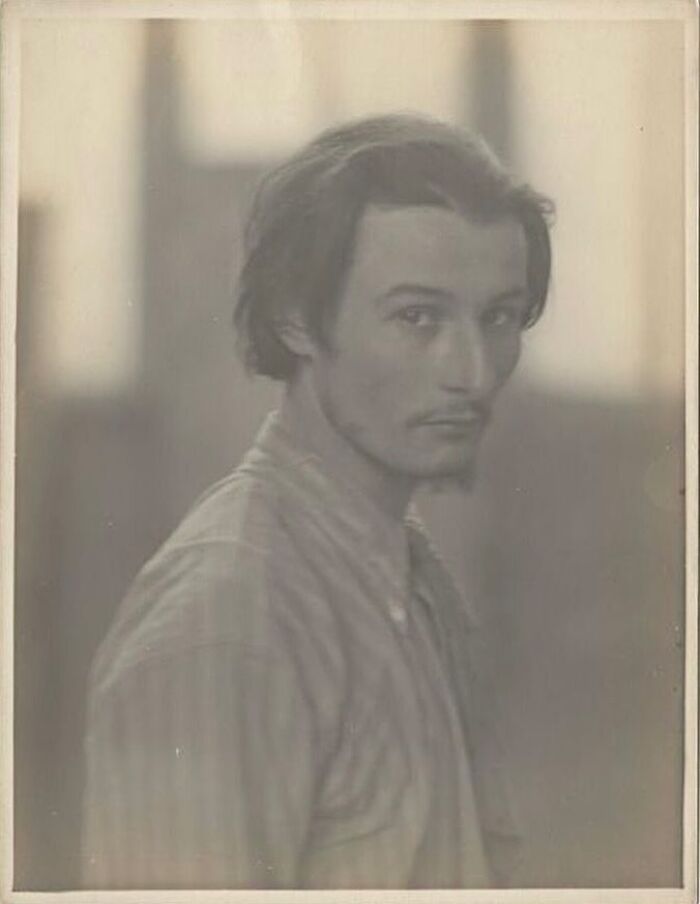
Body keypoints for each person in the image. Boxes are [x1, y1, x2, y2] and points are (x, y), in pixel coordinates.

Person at [81, 113, 554, 890]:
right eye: (417, 318)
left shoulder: (408, 576)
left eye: (498, 317)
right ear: (296, 319)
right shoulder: (227, 620)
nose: (472, 372)